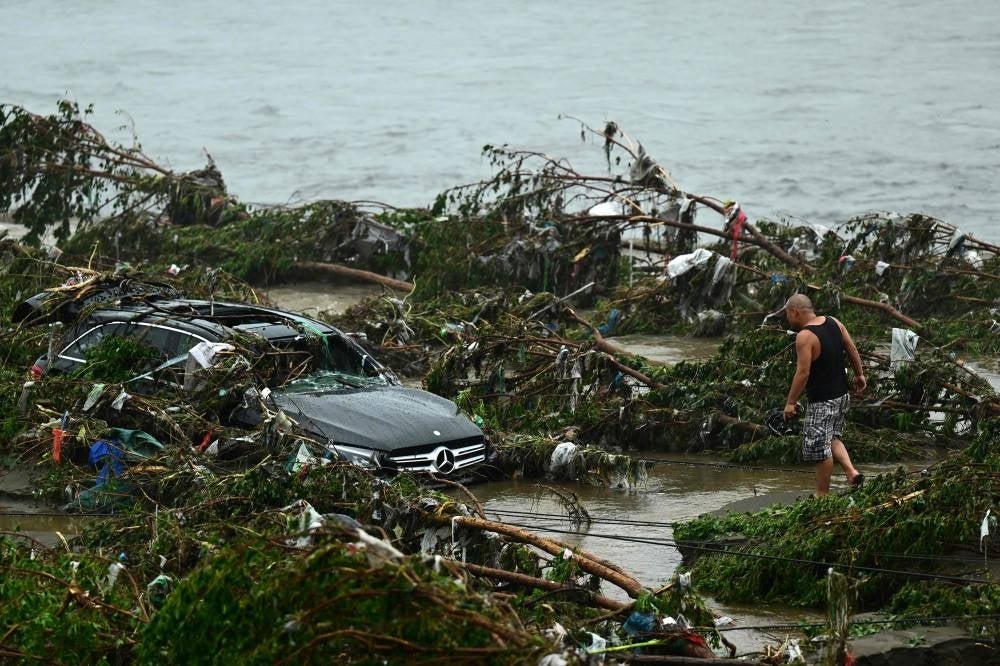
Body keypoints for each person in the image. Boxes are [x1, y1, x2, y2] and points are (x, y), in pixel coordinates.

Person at [782, 294, 866, 496]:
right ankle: (851, 472)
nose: (787, 319)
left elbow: (803, 372)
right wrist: (860, 374)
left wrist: (791, 402)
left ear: (794, 311)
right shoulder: (834, 322)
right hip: (841, 396)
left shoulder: (805, 336)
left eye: (787, 314)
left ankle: (822, 496)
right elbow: (851, 348)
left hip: (822, 401)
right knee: (832, 438)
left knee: (820, 450)